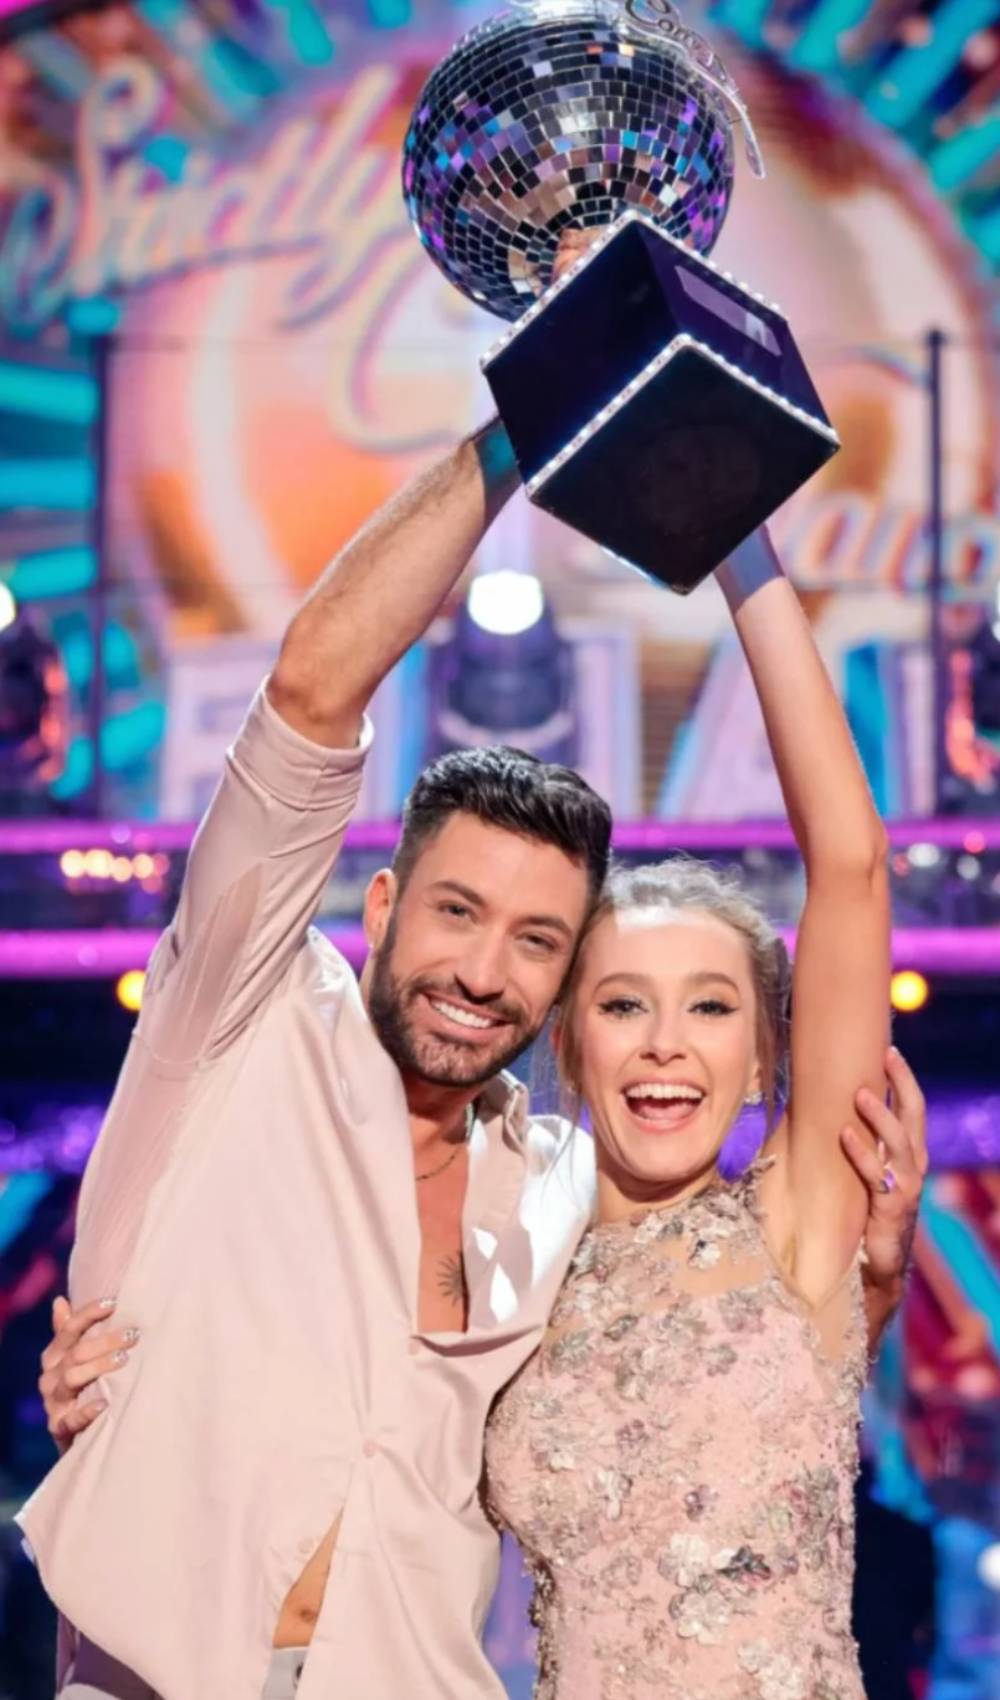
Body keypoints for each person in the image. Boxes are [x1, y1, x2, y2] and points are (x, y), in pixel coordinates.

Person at [22, 407, 922, 1700]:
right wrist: (529, 417)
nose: (485, 970)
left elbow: (849, 872)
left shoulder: (555, 1188)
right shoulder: (249, 1022)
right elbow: (308, 695)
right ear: (385, 906)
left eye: (538, 939)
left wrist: (738, 533)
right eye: (458, 912)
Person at [484, 526, 897, 1698]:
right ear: (569, 1042)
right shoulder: (506, 1266)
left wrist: (737, 546)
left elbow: (851, 864)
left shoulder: (795, 1224)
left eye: (710, 1006)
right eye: (623, 1003)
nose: (665, 1040)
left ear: (764, 1061)